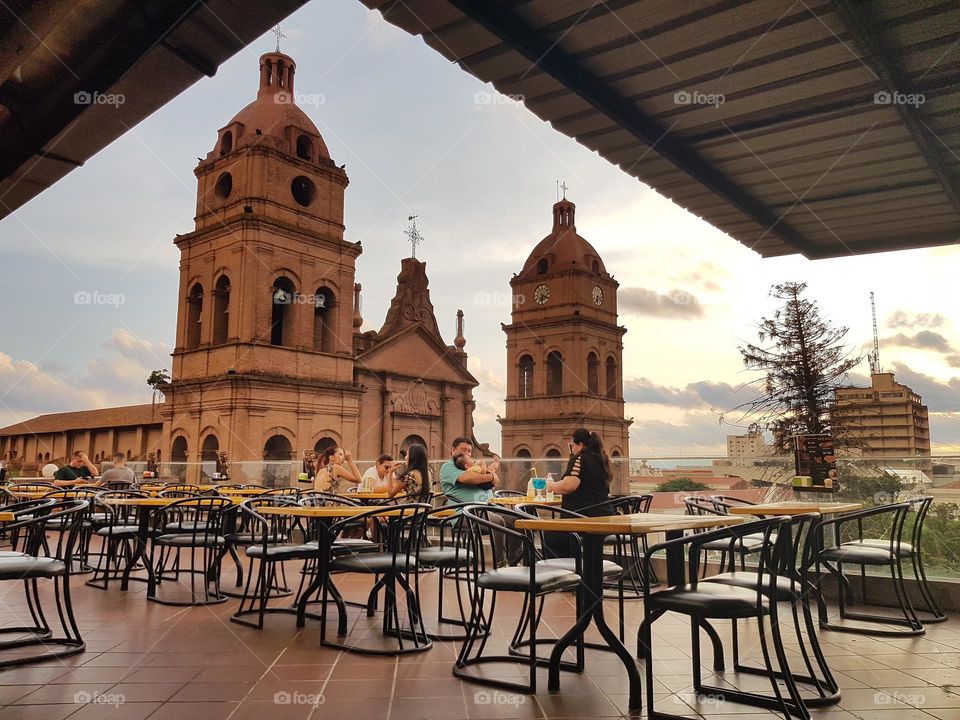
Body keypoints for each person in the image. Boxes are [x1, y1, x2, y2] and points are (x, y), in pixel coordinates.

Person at [440, 436, 521, 566]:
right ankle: (500, 564)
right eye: (463, 450)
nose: (466, 453)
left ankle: (514, 563)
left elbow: (492, 479)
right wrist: (491, 476)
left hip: (488, 508)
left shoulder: (474, 466)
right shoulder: (448, 466)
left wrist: (489, 475)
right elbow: (468, 479)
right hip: (465, 514)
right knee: (497, 521)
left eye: (469, 451)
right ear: (453, 451)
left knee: (517, 521)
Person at [544, 427, 614, 558]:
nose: (572, 450)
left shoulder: (580, 459)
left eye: (573, 446)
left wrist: (551, 486)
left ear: (580, 445)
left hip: (583, 519)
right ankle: (585, 571)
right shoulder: (603, 460)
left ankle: (567, 572)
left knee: (550, 536)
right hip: (605, 516)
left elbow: (569, 486)